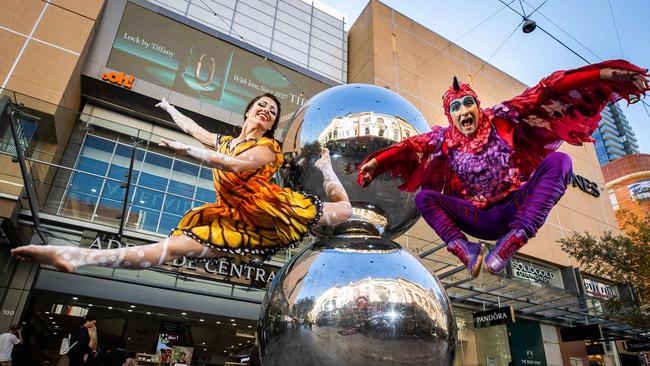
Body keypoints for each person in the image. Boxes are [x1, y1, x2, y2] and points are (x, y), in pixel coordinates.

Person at [359, 60, 648, 277]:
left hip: (516, 209)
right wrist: (376, 163)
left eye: (467, 103)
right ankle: (465, 249)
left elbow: (547, 90)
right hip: (479, 217)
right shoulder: (443, 138)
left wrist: (607, 76)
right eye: (455, 107)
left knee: (561, 162)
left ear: (477, 105)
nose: (463, 111)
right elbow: (411, 147)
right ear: (450, 115)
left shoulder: (502, 115)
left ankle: (514, 240)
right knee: (424, 199)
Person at [11, 93, 352, 271]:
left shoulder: (267, 147)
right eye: (261, 105)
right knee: (171, 248)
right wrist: (169, 109)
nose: (267, 111)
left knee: (345, 209)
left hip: (275, 211)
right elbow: (194, 129)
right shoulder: (224, 140)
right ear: (247, 113)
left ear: (271, 124)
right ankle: (77, 257)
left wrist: (191, 153)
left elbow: (237, 166)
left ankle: (325, 167)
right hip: (236, 220)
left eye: (273, 112)